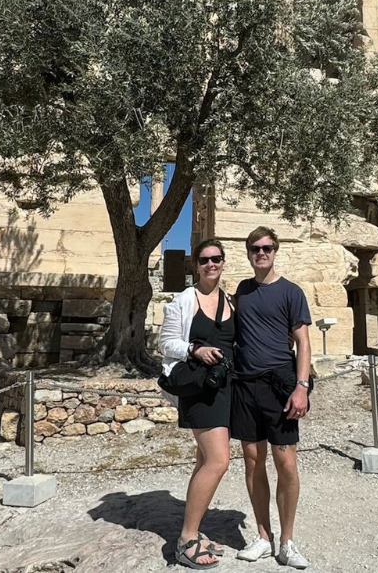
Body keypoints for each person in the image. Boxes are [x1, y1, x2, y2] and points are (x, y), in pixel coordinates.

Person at [231, 226, 312, 569]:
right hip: (245, 384)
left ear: (275, 251)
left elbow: (303, 342)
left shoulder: (291, 291)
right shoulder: (242, 290)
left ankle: (287, 541)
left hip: (279, 384)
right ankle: (263, 537)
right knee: (252, 461)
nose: (261, 253)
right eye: (255, 248)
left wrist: (301, 386)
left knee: (286, 463)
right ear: (248, 253)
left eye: (267, 248)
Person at [159, 238, 235, 570]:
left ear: (223, 261)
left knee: (205, 460)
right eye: (204, 260)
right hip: (198, 388)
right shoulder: (183, 301)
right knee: (218, 461)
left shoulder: (231, 301)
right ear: (196, 265)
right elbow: (166, 343)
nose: (210, 264)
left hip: (225, 388)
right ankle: (186, 539)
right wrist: (194, 349)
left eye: (216, 258)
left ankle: (194, 529)